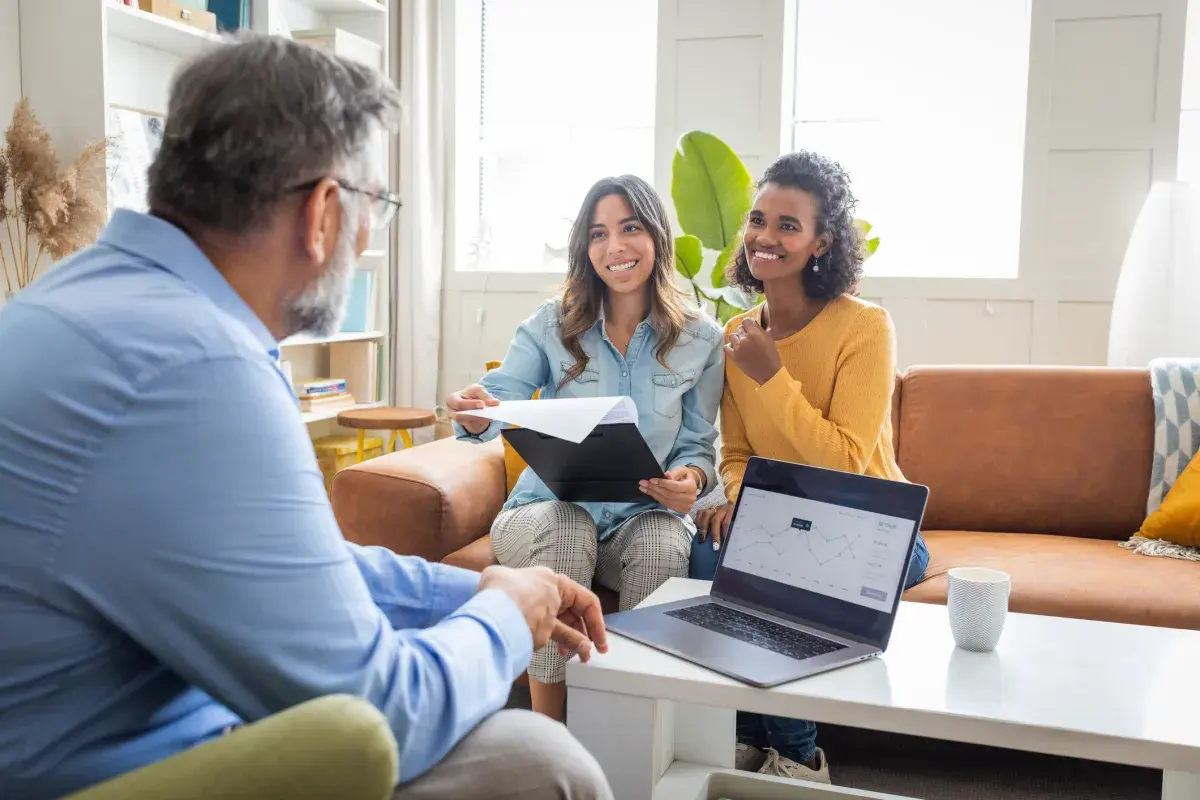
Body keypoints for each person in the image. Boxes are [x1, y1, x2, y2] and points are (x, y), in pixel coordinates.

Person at [0, 34, 612, 800]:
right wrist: (502, 619)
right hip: (107, 777)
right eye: (375, 207)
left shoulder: (93, 303)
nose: (365, 238)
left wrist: (478, 587)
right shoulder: (194, 367)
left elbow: (280, 565)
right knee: (540, 761)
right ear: (324, 211)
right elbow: (380, 713)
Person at [688, 150, 929, 785]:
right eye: (758, 219)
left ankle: (797, 758)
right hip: (780, 519)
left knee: (783, 575)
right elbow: (736, 454)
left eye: (788, 226)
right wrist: (737, 498)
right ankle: (739, 738)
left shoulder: (867, 328)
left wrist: (772, 377)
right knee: (709, 557)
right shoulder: (737, 333)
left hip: (874, 522)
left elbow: (848, 462)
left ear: (821, 241)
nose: (766, 237)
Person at [447, 175, 724, 723]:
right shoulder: (549, 326)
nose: (614, 247)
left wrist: (689, 480)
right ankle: (551, 735)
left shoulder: (701, 338)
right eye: (598, 234)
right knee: (567, 526)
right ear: (585, 247)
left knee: (662, 542)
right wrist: (475, 410)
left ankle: (633, 738)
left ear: (657, 237)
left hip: (643, 515)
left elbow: (698, 446)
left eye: (630, 228)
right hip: (541, 513)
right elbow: (496, 402)